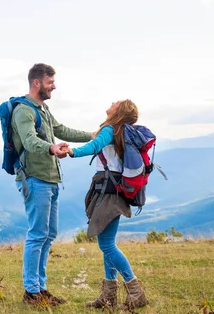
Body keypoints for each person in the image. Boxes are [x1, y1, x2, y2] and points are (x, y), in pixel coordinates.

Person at [11, 63, 94, 307]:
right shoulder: (23, 111)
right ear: (37, 82)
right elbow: (28, 141)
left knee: (49, 235)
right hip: (35, 180)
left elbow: (61, 130)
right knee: (37, 235)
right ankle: (31, 292)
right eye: (50, 82)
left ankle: (40, 288)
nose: (54, 86)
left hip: (51, 179)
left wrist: (92, 135)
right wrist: (50, 147)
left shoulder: (43, 109)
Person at [63, 99, 148, 310]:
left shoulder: (110, 129)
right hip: (116, 189)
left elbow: (95, 146)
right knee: (107, 242)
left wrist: (72, 152)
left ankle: (135, 290)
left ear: (118, 111)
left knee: (107, 244)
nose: (111, 103)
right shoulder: (121, 131)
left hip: (108, 191)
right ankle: (108, 295)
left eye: (115, 102)